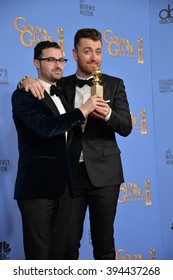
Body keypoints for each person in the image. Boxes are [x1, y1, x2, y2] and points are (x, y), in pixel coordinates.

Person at [18, 28, 132, 260]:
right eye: (87, 51)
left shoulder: (115, 84)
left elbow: (126, 127)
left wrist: (109, 113)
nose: (94, 57)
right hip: (68, 177)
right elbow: (42, 94)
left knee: (104, 243)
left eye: (98, 52)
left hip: (104, 175)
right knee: (67, 245)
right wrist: (25, 80)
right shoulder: (62, 85)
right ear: (75, 53)